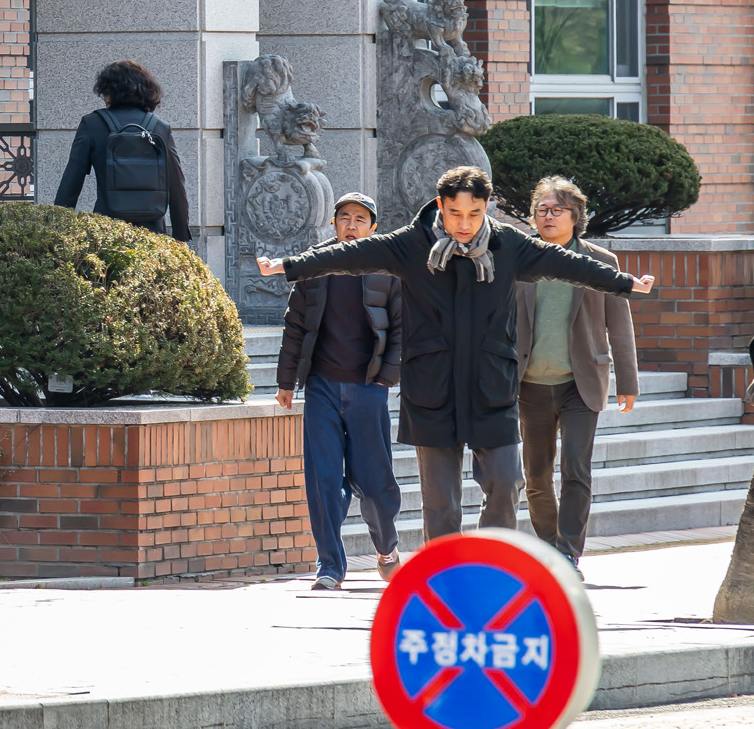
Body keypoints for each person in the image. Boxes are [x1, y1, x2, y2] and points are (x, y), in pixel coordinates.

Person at [259, 165, 653, 543]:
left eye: (474, 214)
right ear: (440, 205)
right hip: (432, 388)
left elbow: (567, 263)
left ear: (487, 209)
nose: (464, 224)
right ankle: (446, 586)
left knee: (504, 483)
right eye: (455, 213)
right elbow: (349, 256)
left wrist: (623, 282)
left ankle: (491, 571)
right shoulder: (411, 244)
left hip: (491, 386)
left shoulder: (509, 245)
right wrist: (289, 265)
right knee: (441, 503)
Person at [274, 192, 404, 590]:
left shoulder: (388, 269)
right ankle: (329, 565)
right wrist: (286, 381)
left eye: (360, 219)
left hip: (367, 390)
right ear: (333, 223)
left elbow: (402, 329)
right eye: (344, 217)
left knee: (376, 483)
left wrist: (387, 379)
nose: (351, 224)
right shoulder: (316, 266)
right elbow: (295, 326)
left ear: (373, 227)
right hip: (322, 388)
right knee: (324, 480)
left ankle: (386, 547)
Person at [517, 174, 638, 569]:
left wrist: (628, 380)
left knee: (575, 469)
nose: (548, 216)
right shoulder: (520, 259)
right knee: (535, 477)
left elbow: (618, 324)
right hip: (528, 384)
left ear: (575, 216)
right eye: (541, 210)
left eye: (557, 210)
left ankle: (568, 550)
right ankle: (549, 545)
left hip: (580, 382)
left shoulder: (601, 262)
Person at [52, 59, 191, 240]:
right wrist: (181, 237)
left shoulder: (92, 124)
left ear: (108, 91)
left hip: (106, 228)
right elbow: (176, 185)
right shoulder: (160, 127)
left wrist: (56, 230)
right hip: (153, 233)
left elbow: (71, 181)